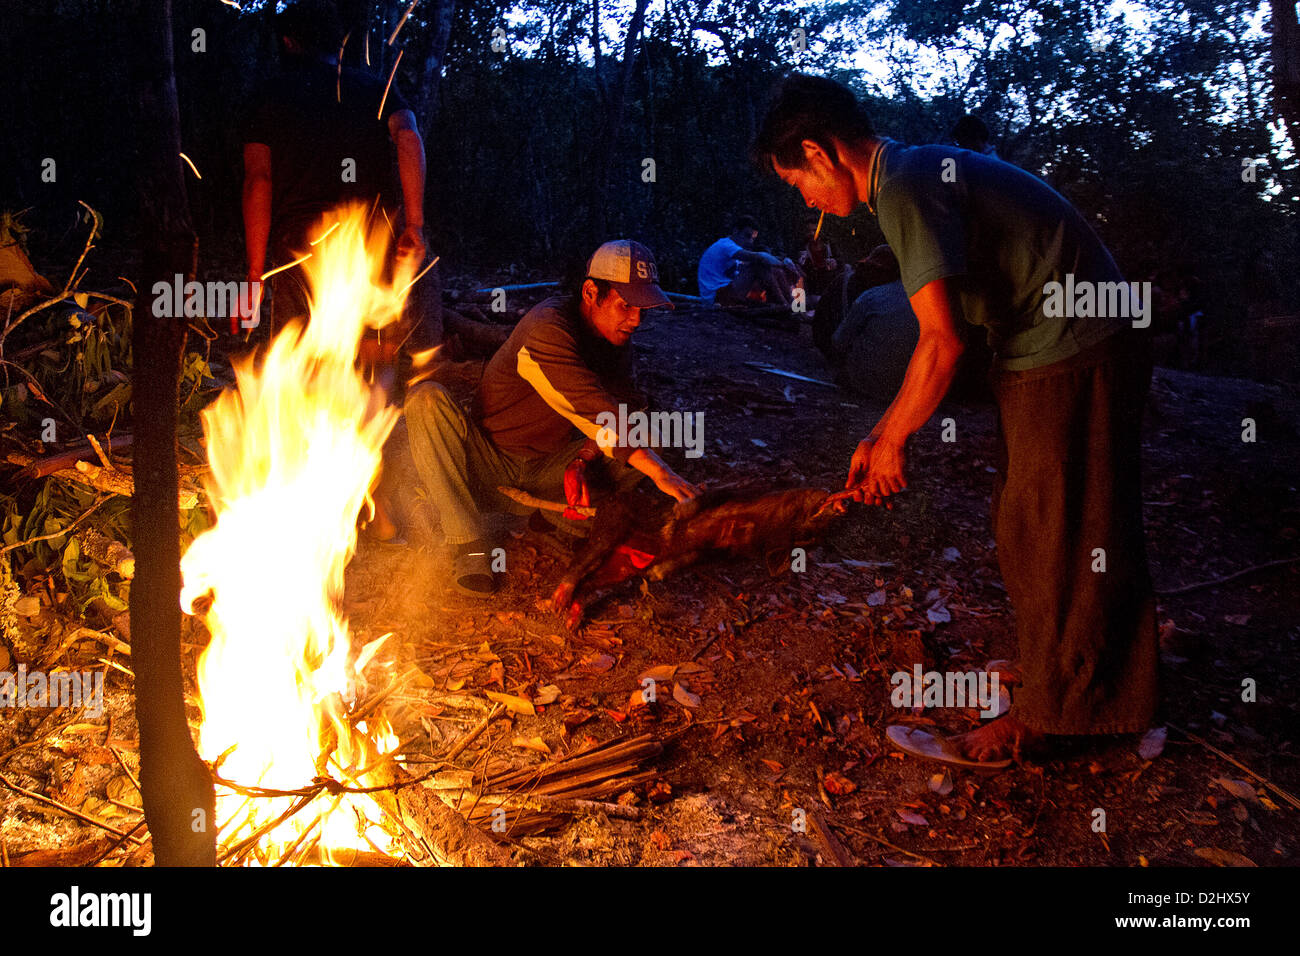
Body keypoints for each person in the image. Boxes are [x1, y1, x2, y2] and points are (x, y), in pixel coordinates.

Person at [756, 74, 1158, 764]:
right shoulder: (907, 177)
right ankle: (1068, 678)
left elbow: (944, 342)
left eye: (799, 184)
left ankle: (1068, 722)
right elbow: (940, 327)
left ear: (820, 154)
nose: (810, 202)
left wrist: (895, 442)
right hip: (1059, 341)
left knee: (1057, 524)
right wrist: (880, 435)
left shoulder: (906, 186)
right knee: (1036, 518)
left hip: (1074, 343)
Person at [404, 240, 700, 597]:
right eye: (626, 306)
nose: (636, 320)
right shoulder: (548, 326)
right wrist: (658, 472)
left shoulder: (616, 339)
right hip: (489, 464)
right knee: (426, 401)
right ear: (591, 293)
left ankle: (551, 515)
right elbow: (588, 403)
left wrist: (581, 459)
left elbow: (624, 410)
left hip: (550, 469)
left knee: (654, 429)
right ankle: (468, 542)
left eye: (642, 310)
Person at [240, 0, 433, 353]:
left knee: (298, 361)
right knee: (371, 360)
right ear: (335, 43)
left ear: (288, 42)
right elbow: (408, 136)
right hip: (372, 239)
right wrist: (414, 225)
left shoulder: (267, 97)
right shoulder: (376, 88)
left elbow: (258, 181)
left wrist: (255, 273)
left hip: (299, 249)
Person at [697, 215, 800, 307]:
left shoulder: (732, 250)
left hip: (723, 293)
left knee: (774, 271)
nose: (750, 242)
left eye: (753, 238)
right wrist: (784, 264)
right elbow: (759, 257)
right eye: (747, 236)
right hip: (716, 297)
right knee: (758, 265)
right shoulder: (726, 245)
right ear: (735, 231)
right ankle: (785, 305)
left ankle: (791, 304)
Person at [796, 214, 842, 298]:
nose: (812, 234)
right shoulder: (803, 246)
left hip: (830, 278)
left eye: (814, 230)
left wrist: (835, 262)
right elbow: (799, 264)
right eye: (808, 231)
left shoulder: (829, 243)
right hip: (812, 282)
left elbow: (841, 260)